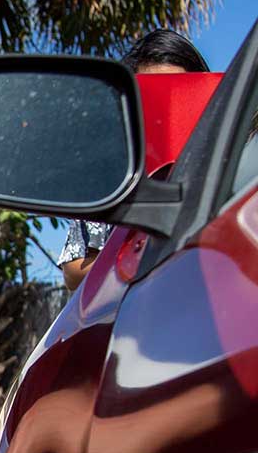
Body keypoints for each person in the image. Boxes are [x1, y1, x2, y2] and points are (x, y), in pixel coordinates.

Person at [58, 29, 210, 291]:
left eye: (178, 96)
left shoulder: (225, 162)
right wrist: (140, 260)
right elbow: (74, 269)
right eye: (150, 98)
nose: (164, 112)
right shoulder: (110, 173)